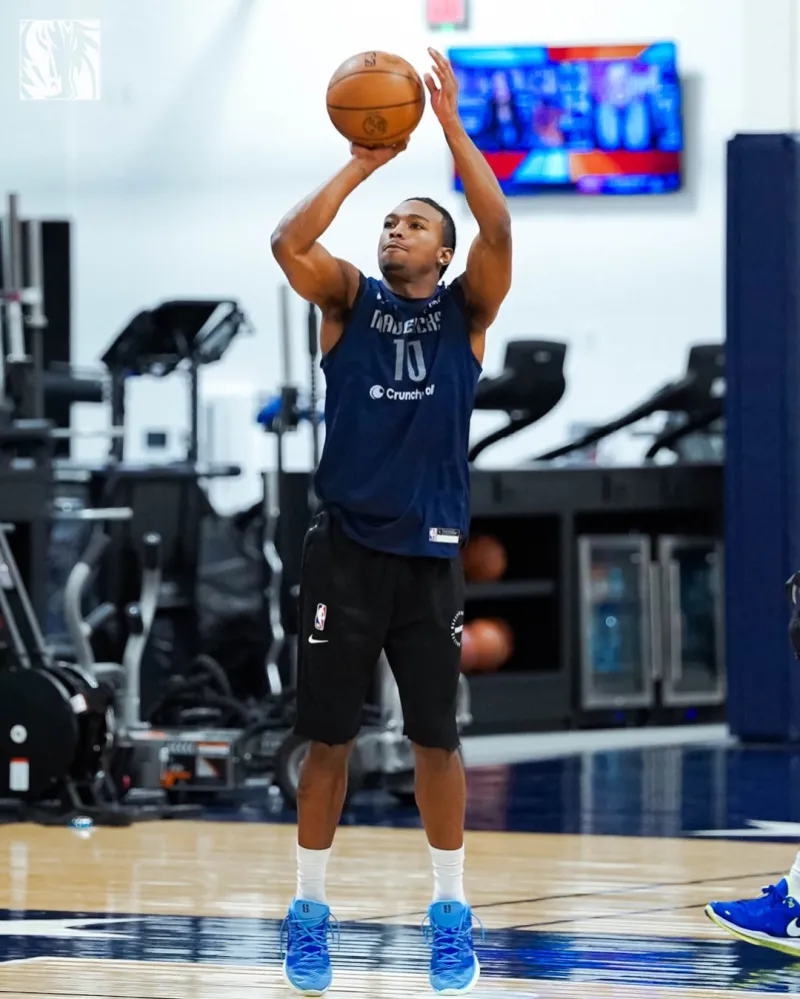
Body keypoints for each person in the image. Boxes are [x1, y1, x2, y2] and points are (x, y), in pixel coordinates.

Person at [270, 47, 512, 996]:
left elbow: (497, 223)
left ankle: (450, 913)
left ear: (443, 253)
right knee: (328, 740)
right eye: (388, 223)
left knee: (436, 742)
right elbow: (288, 242)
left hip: (429, 556)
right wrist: (361, 164)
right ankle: (308, 912)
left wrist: (449, 128)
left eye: (413, 223)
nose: (394, 231)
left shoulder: (467, 313)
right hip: (346, 551)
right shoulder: (348, 302)